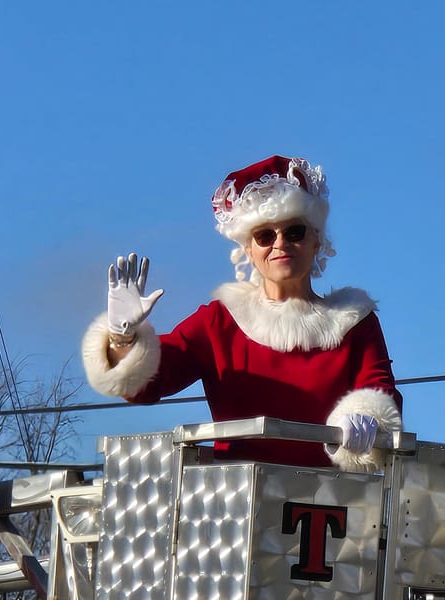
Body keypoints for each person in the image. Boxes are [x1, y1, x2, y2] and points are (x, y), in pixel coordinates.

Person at [82, 154, 402, 472]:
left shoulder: (355, 322)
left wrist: (367, 418)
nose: (280, 244)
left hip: (332, 504)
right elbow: (150, 382)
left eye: (294, 232)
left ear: (317, 240)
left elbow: (380, 393)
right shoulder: (220, 323)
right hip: (238, 503)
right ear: (247, 248)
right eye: (265, 235)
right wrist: (122, 337)